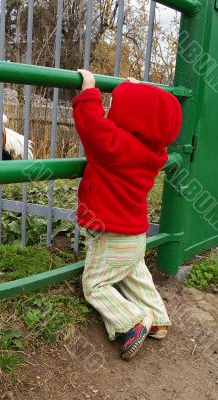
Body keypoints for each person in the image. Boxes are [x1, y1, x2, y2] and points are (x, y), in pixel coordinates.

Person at [72, 69, 182, 360]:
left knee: (94, 284)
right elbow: (143, 117)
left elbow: (92, 126)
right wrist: (135, 90)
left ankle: (131, 321)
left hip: (111, 234)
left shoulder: (114, 146)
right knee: (136, 276)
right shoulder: (154, 153)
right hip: (136, 236)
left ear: (131, 118)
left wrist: (89, 92)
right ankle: (157, 319)